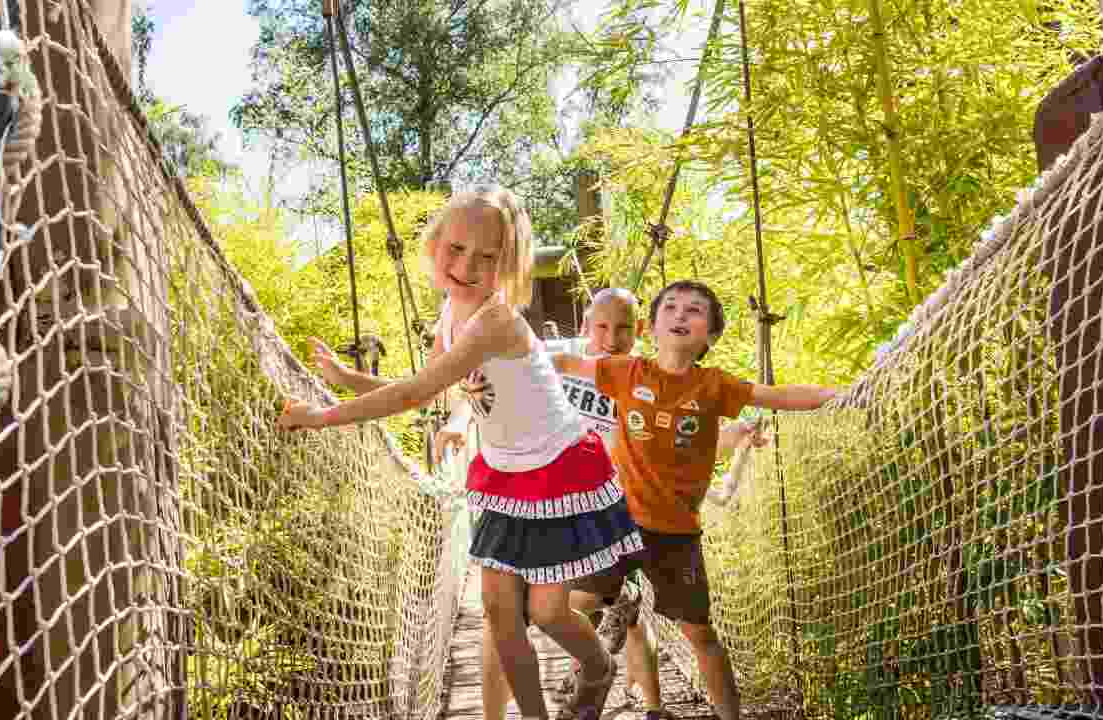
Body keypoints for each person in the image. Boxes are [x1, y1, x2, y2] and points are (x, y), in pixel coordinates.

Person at [280, 185, 638, 720]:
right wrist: (347, 378)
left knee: (545, 613)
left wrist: (321, 417)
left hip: (558, 469)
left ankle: (599, 667)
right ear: (434, 245)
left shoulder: (495, 322)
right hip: (504, 472)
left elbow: (411, 395)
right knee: (499, 613)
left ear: (507, 265)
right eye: (456, 249)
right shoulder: (449, 310)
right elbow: (430, 387)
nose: (467, 266)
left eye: (487, 257)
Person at [437, 288, 764, 720]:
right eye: (603, 326)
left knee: (590, 613)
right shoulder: (555, 359)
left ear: (640, 331)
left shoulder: (644, 377)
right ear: (586, 325)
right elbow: (483, 381)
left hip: (614, 512)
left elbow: (688, 446)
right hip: (542, 503)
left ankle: (645, 700)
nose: (612, 338)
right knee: (508, 619)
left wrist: (736, 436)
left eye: (624, 328)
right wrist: (458, 421)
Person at [558, 279, 842, 720]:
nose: (679, 314)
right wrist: (493, 354)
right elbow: (560, 361)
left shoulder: (714, 386)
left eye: (694, 311)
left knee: (700, 633)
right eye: (669, 307)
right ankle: (598, 654)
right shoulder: (626, 372)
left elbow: (777, 395)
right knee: (569, 606)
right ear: (651, 328)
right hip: (619, 522)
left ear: (710, 336)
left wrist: (838, 396)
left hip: (675, 533)